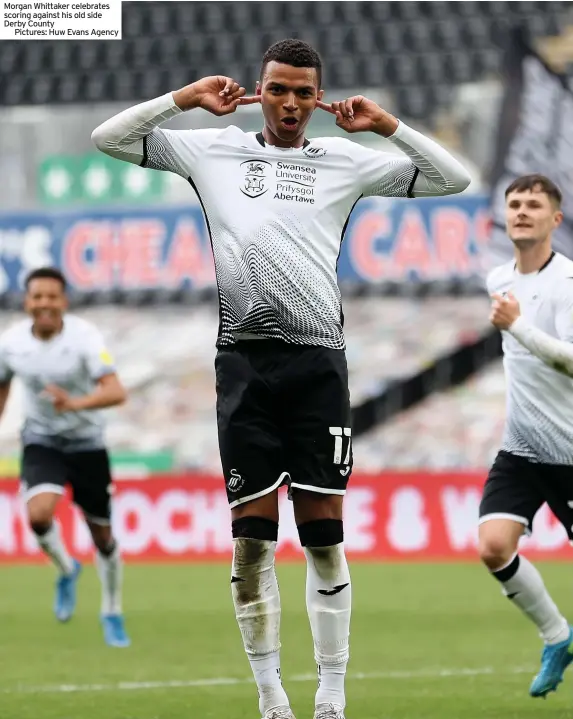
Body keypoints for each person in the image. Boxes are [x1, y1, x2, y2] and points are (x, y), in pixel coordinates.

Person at [92, 38, 470, 719]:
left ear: (317, 97)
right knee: (250, 541)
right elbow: (107, 138)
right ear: (257, 91)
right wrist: (184, 99)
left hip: (316, 363)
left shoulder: (345, 162)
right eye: (278, 90)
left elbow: (453, 181)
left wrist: (386, 126)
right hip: (242, 362)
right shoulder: (212, 151)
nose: (290, 104)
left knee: (323, 534)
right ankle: (271, 697)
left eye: (303, 92)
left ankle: (331, 692)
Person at [0, 267, 130, 648]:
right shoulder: (10, 344)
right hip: (42, 440)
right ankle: (67, 567)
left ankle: (111, 610)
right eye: (37, 296)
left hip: (88, 442)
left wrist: (75, 403)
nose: (44, 304)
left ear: (63, 301)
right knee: (38, 515)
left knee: (103, 537)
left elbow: (116, 391)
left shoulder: (86, 338)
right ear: (27, 302)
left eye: (51, 297)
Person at [481, 174, 573, 698]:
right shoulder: (498, 278)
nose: (520, 211)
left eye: (533, 204)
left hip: (570, 450)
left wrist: (518, 326)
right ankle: (556, 636)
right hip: (520, 448)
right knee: (493, 547)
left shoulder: (567, 285)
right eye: (514, 203)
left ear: (554, 220)